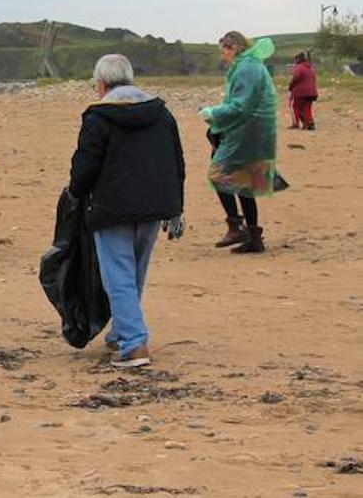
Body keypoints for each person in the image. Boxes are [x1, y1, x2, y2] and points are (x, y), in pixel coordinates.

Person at [67, 54, 185, 369]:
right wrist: (176, 206)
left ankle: (133, 344)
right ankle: (121, 332)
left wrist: (75, 193)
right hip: (154, 205)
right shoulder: (161, 114)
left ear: (101, 84)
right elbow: (176, 160)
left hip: (112, 206)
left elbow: (85, 164)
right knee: (133, 273)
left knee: (118, 275)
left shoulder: (99, 117)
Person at [201, 32, 278, 254]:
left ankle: (236, 226)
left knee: (218, 174)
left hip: (247, 133)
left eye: (224, 50)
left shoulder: (246, 68)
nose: (223, 56)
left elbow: (241, 106)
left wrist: (212, 114)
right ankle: (254, 237)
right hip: (255, 132)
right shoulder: (251, 65)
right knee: (245, 183)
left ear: (233, 47)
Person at [288, 51, 318, 131]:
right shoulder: (310, 68)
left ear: (297, 59)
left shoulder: (298, 67)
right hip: (312, 92)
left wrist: (290, 86)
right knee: (306, 108)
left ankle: (295, 123)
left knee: (293, 106)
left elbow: (296, 77)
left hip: (300, 92)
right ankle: (308, 124)